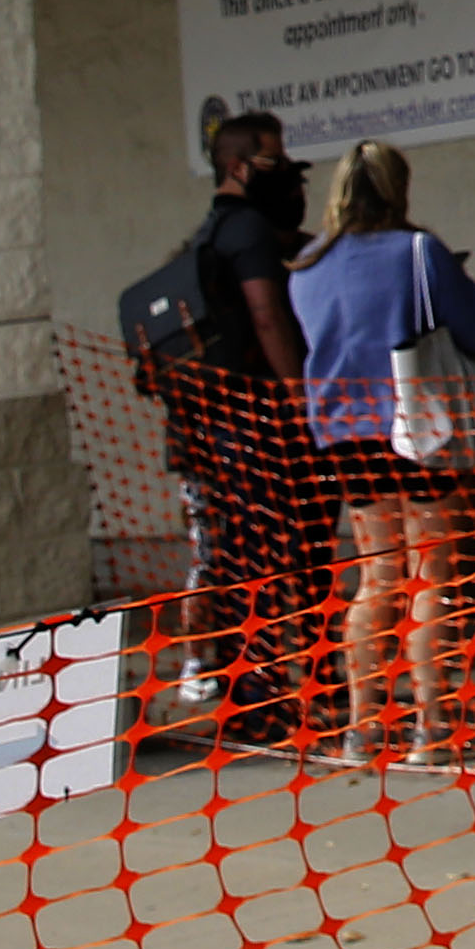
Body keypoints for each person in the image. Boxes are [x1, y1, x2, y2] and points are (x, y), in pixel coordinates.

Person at [285, 141, 475, 760]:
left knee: (376, 576)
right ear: (399, 188)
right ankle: (431, 726)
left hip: (343, 431)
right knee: (430, 572)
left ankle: (362, 727)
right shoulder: (418, 251)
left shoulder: (305, 264)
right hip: (419, 423)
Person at [181, 110, 325, 748]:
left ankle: (253, 697)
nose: (287, 172)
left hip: (214, 426)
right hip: (258, 424)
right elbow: (268, 318)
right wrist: (300, 399)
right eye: (275, 160)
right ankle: (280, 698)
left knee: (240, 559)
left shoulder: (207, 233)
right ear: (240, 166)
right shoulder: (249, 234)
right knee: (284, 557)